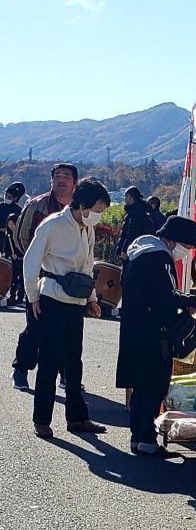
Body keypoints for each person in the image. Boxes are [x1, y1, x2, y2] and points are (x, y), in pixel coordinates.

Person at [24, 177, 111, 439]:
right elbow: (31, 262)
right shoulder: (52, 225)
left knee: (74, 361)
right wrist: (33, 298)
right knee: (49, 361)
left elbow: (87, 266)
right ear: (82, 204)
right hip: (52, 299)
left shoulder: (87, 228)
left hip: (76, 301)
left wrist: (92, 299)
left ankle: (77, 418)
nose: (98, 215)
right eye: (97, 209)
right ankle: (41, 419)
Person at [116, 215, 196, 456]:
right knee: (153, 385)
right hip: (152, 330)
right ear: (174, 240)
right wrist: (193, 300)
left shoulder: (141, 250)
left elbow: (156, 292)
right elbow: (163, 297)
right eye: (187, 247)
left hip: (134, 326)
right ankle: (148, 441)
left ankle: (138, 438)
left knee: (139, 386)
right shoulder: (159, 257)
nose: (186, 252)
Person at [10, 163, 79, 390]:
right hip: (40, 278)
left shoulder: (79, 208)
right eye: (57, 176)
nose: (61, 179)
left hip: (68, 281)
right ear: (51, 181)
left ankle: (66, 374)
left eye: (66, 176)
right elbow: (21, 237)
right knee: (36, 327)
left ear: (74, 183)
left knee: (67, 331)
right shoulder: (37, 205)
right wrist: (37, 260)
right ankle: (21, 368)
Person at [117, 187, 155, 265]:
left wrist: (124, 250)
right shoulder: (140, 211)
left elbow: (132, 233)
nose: (124, 199)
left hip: (134, 252)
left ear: (131, 197)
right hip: (139, 251)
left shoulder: (136, 213)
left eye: (126, 196)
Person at [6, 213, 25, 305]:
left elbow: (24, 247)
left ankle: (20, 297)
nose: (11, 226)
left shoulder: (21, 234)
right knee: (13, 279)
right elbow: (6, 248)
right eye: (9, 224)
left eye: (12, 224)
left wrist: (18, 254)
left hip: (22, 259)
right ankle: (12, 296)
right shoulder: (8, 235)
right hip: (14, 260)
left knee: (22, 279)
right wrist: (10, 254)